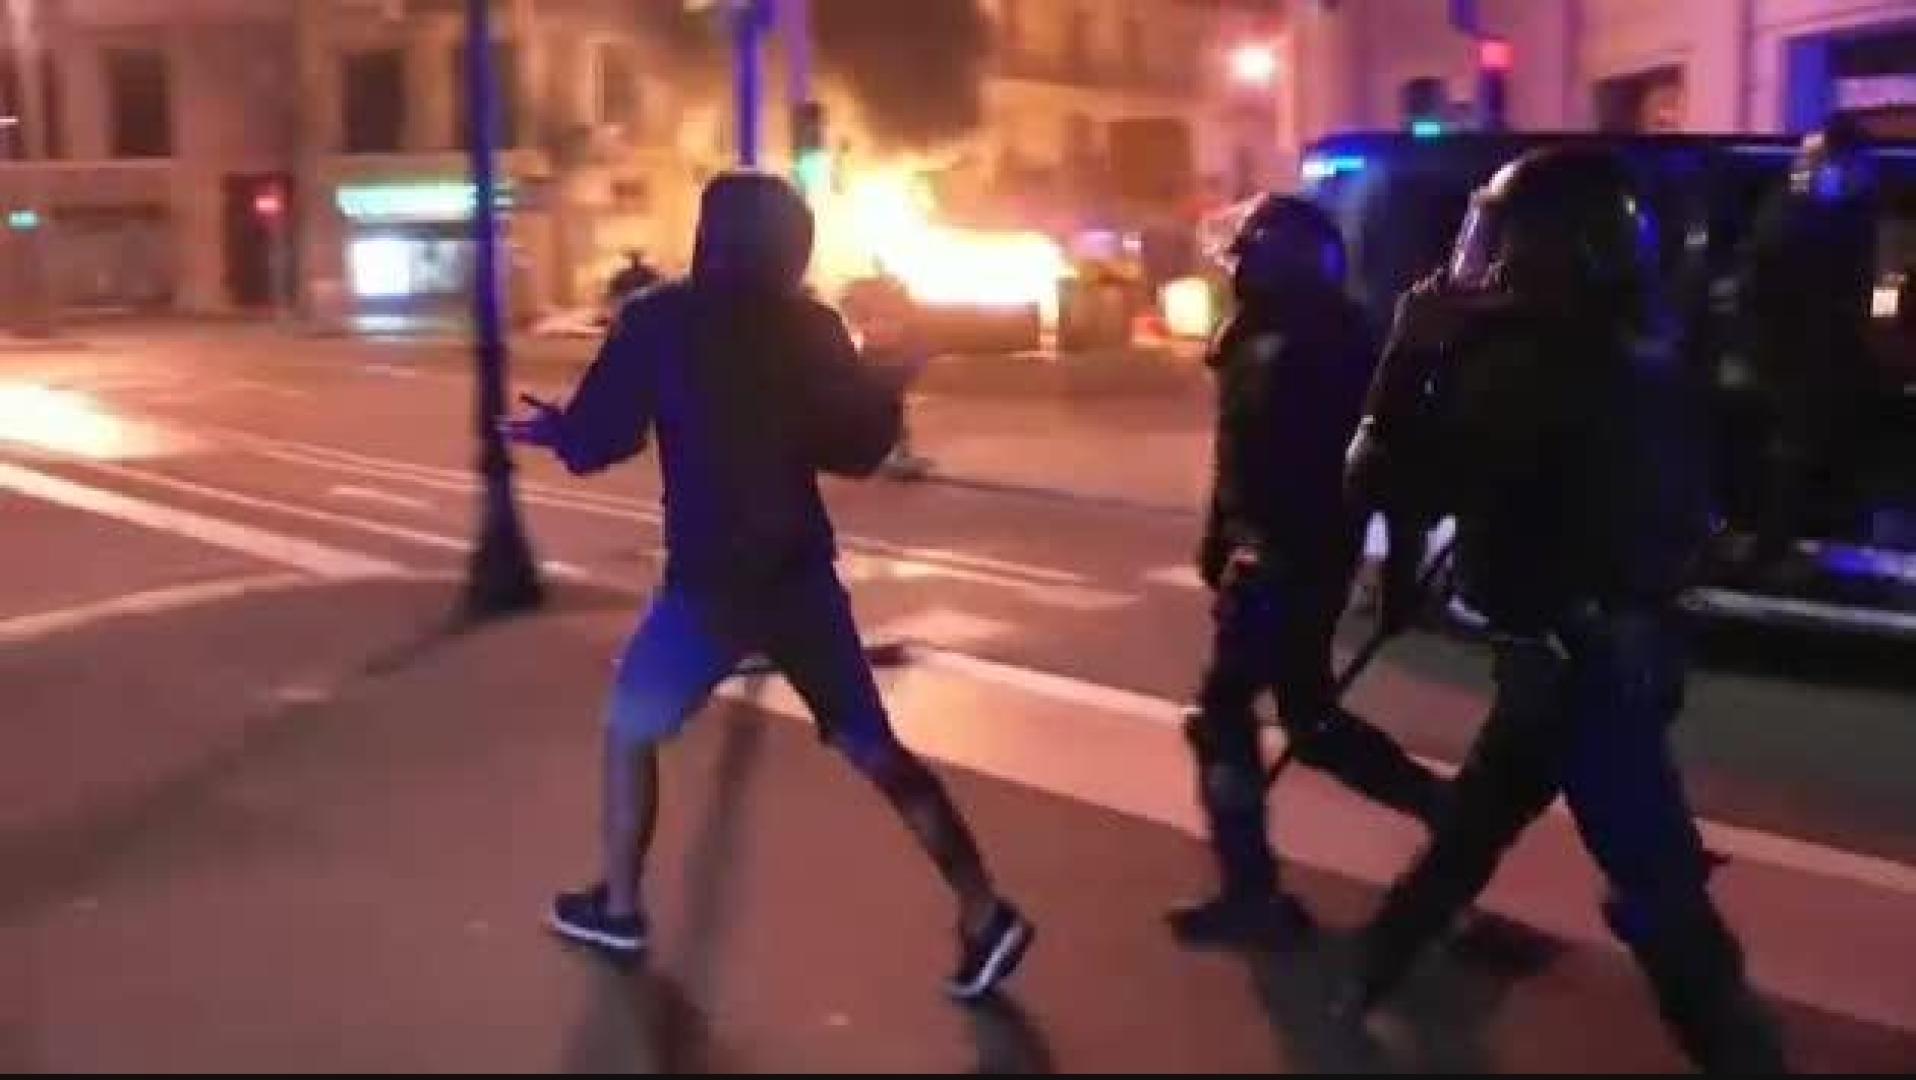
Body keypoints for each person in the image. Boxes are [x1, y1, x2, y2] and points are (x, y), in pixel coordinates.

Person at [505, 171, 1032, 1001]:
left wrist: (558, 431)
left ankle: (620, 905)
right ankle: (984, 910)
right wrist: (888, 384)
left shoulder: (661, 319)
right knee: (873, 746)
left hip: (710, 583)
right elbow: (855, 450)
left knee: (629, 729)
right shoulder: (809, 326)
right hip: (798, 576)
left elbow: (602, 436)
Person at [1341, 147, 1787, 1072]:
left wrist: (1407, 353)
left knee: (1653, 886)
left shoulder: (1526, 366)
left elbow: (1381, 476)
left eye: (1509, 240)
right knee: (1477, 829)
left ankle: (1743, 1059)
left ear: (1558, 250)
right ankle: (1365, 976)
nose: (1489, 261)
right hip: (1610, 647)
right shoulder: (1643, 350)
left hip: (1573, 665)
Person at [1170, 195, 1452, 948]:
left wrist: (1396, 572)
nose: (1239, 271)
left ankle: (1251, 894)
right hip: (1285, 558)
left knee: (1223, 718)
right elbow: (1238, 457)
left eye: (1252, 257)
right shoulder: (1284, 339)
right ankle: (1454, 817)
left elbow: (1384, 463)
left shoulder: (1312, 348)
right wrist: (1218, 535)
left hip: (1285, 561)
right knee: (1311, 719)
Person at [1739, 116, 1880, 573]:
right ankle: (1773, 552)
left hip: (1816, 366)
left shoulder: (1832, 216)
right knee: (1791, 453)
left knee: (1806, 454)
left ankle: (1795, 547)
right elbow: (1770, 289)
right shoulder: (1793, 216)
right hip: (1795, 365)